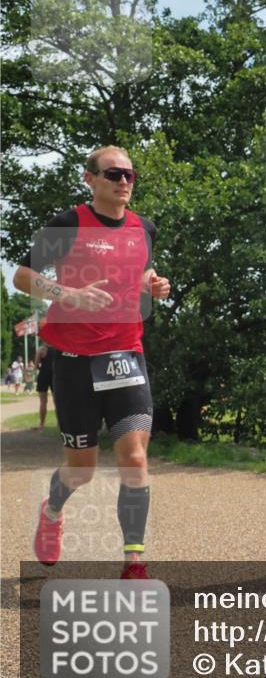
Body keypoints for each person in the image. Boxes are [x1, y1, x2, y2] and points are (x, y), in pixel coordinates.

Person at [14, 145, 170, 579]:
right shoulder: (67, 224)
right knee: (81, 471)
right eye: (113, 174)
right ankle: (52, 510)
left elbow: (139, 272)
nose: (123, 182)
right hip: (74, 360)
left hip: (125, 355)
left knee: (134, 459)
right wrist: (69, 294)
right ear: (90, 178)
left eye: (129, 175)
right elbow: (22, 276)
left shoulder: (144, 228)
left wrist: (152, 284)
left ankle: (134, 562)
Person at [35, 345, 54, 429]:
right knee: (57, 401)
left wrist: (42, 369)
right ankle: (60, 424)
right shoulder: (57, 349)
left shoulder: (41, 349)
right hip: (54, 375)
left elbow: (36, 365)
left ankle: (42, 423)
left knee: (43, 402)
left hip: (43, 375)